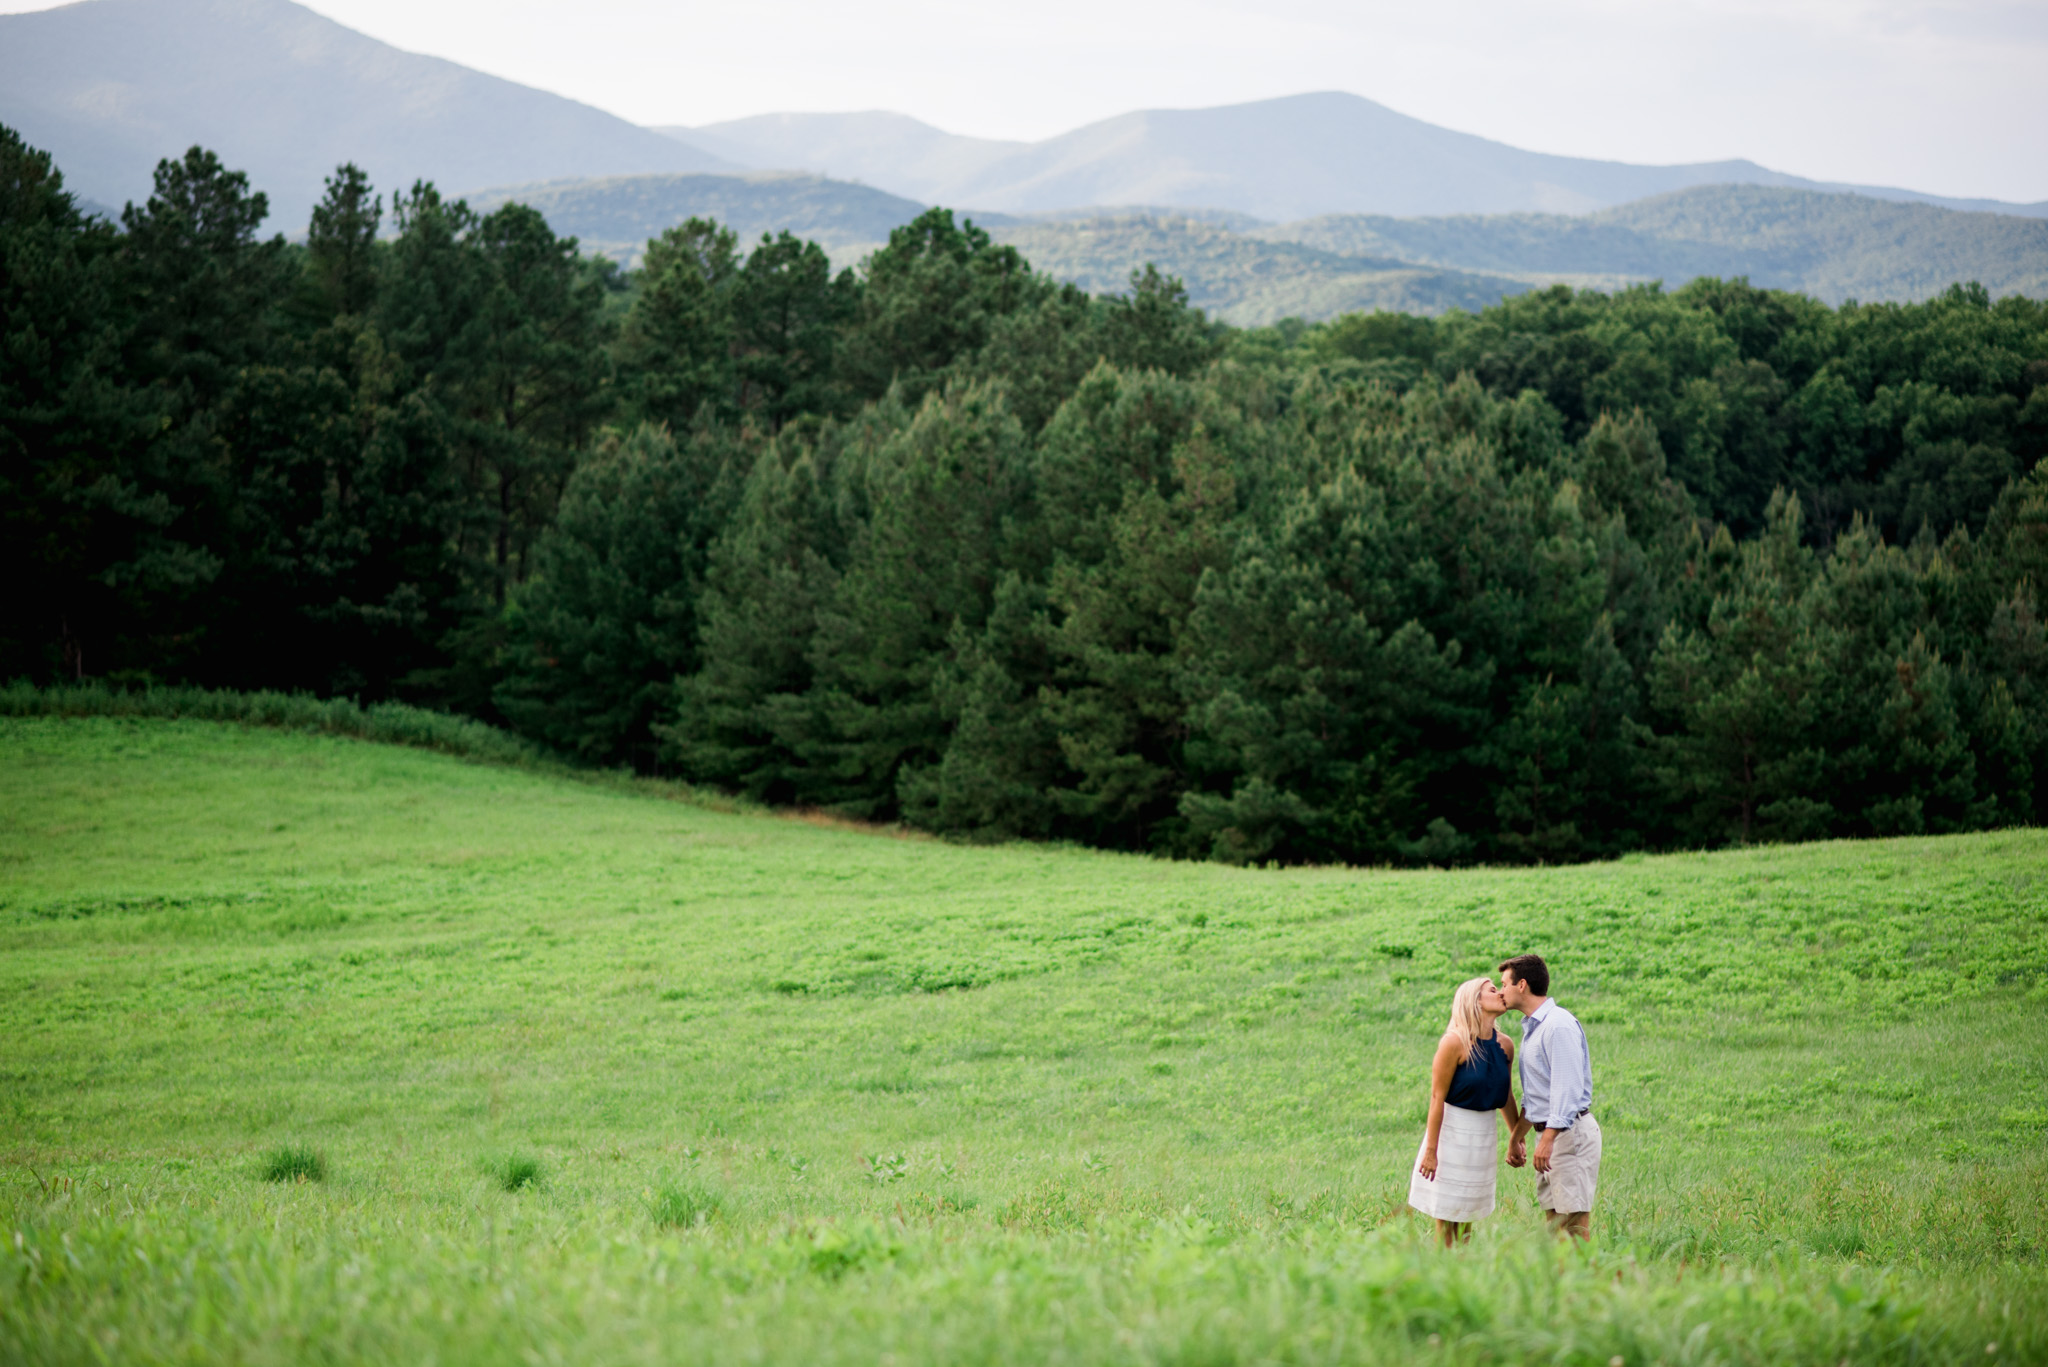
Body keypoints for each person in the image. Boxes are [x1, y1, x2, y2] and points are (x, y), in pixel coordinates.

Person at [1408, 976, 1522, 1245]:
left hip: (1483, 1136)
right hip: (1452, 1134)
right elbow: (1437, 1098)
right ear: (1475, 1001)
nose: (1500, 994)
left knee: (1466, 1221)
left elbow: (1505, 1095)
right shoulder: (1454, 1043)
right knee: (1447, 1218)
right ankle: (1442, 1277)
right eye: (1492, 991)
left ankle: (1460, 1274)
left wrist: (1516, 1138)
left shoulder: (1505, 1045)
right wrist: (1431, 1151)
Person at [1499, 953, 1600, 1240]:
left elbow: (1566, 1090)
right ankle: (1559, 1282)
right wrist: (1517, 1136)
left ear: (1521, 985)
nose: (1500, 991)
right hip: (1553, 1136)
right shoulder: (1534, 1028)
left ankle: (1587, 1282)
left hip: (1569, 1135)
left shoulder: (1558, 1025)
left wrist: (1547, 1139)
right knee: (1554, 1227)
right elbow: (1536, 1098)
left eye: (1504, 984)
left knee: (1575, 1227)